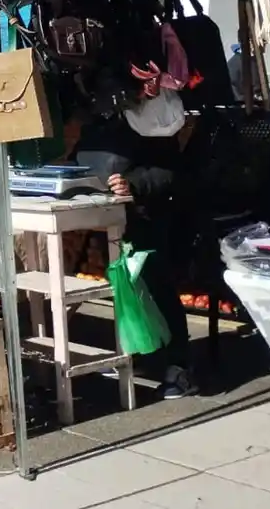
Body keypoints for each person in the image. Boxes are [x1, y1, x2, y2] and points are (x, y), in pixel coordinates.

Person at [75, 79, 197, 399]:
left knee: (157, 287)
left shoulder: (153, 120)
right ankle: (138, 356)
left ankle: (179, 367)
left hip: (148, 217)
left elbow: (170, 173)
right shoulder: (97, 122)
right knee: (129, 293)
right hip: (110, 220)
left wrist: (133, 185)